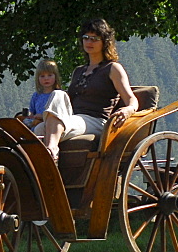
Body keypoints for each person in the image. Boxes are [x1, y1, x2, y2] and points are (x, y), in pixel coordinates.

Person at [39, 18, 138, 163]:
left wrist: (128, 110)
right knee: (39, 129)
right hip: (75, 118)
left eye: (94, 38)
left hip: (97, 121)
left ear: (104, 42)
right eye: (86, 38)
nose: (89, 42)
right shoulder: (78, 71)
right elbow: (67, 102)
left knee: (50, 129)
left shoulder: (112, 68)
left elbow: (131, 99)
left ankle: (52, 152)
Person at [21, 58, 72, 137]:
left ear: (55, 77)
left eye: (50, 75)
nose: (46, 78)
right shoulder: (36, 95)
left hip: (52, 123)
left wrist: (42, 116)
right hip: (36, 123)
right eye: (42, 76)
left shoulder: (59, 95)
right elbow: (32, 113)